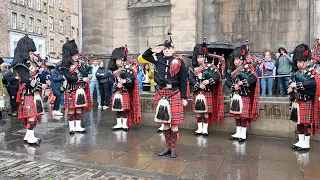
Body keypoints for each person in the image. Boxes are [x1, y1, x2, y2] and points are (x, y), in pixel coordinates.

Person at [142, 34, 188, 158]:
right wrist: (154, 50)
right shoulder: (158, 59)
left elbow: (183, 80)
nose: (167, 50)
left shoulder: (179, 62)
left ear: (173, 50)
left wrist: (184, 97)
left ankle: (173, 148)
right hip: (162, 94)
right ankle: (167, 147)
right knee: (165, 123)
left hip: (174, 93)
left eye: (169, 48)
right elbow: (144, 56)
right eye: (165, 48)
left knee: (174, 124)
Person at [12, 35, 47, 145]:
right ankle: (31, 138)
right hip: (27, 93)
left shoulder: (30, 64)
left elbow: (35, 78)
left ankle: (28, 136)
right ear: (25, 52)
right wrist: (41, 86)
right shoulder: (21, 65)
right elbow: (28, 82)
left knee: (34, 115)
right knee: (31, 116)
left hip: (33, 93)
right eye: (31, 53)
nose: (33, 55)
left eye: (33, 52)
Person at [288, 44, 320, 151]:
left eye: (301, 61)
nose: (298, 64)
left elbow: (311, 84)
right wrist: (290, 89)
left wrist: (296, 85)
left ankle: (306, 142)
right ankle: (300, 140)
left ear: (306, 61)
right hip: (297, 101)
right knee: (299, 122)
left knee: (306, 123)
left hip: (306, 101)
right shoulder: (296, 73)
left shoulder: (311, 73)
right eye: (297, 62)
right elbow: (291, 83)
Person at [189, 43, 224, 136]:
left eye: (201, 57)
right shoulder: (194, 69)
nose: (199, 59)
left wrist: (208, 81)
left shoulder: (210, 67)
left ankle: (205, 129)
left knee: (206, 113)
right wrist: (198, 85)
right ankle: (199, 129)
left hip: (207, 92)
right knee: (198, 113)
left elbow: (217, 76)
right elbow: (191, 79)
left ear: (204, 58)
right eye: (198, 57)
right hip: (198, 92)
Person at [226, 45, 260, 142]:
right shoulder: (232, 70)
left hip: (244, 95)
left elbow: (253, 79)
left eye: (237, 59)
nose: (236, 62)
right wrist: (233, 86)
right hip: (236, 95)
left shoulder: (248, 68)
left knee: (243, 116)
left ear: (242, 59)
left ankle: (243, 134)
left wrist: (242, 83)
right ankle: (238, 132)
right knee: (237, 115)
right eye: (235, 60)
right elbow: (228, 81)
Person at [61, 39, 91, 134]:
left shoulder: (79, 63)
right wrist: (82, 79)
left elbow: (84, 72)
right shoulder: (65, 65)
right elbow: (69, 77)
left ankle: (78, 126)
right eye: (75, 55)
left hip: (80, 89)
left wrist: (87, 74)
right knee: (71, 109)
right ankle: (71, 127)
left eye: (76, 55)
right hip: (71, 88)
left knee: (79, 108)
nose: (76, 57)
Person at [108, 46, 141, 131]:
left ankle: (124, 124)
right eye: (117, 60)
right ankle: (119, 124)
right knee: (118, 109)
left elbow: (132, 81)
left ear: (123, 60)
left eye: (119, 60)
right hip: (116, 92)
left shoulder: (128, 70)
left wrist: (125, 81)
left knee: (125, 109)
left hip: (125, 91)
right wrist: (115, 84)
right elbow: (110, 81)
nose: (118, 62)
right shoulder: (113, 72)